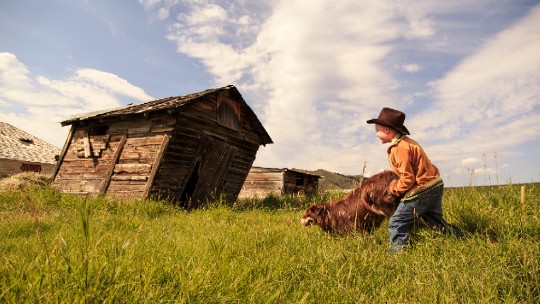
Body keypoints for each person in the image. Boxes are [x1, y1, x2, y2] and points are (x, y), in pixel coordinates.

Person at [366, 107, 464, 253]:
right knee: (435, 222)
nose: (377, 135)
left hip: (422, 189)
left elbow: (407, 178)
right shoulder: (408, 143)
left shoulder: (400, 148)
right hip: (434, 184)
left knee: (396, 222)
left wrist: (394, 190)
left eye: (377, 131)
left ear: (386, 130)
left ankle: (398, 257)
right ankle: (462, 240)